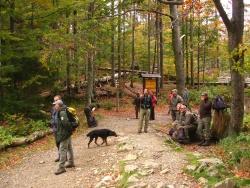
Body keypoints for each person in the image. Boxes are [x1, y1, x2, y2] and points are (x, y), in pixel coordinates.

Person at [53, 100, 75, 175]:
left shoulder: (62, 112)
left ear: (59, 105)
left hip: (64, 134)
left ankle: (61, 168)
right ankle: (71, 162)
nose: (54, 106)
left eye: (55, 105)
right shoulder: (62, 111)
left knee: (62, 149)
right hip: (66, 133)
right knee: (69, 148)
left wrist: (68, 131)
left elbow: (65, 123)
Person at [50, 95, 65, 162]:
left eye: (56, 100)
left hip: (61, 129)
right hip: (55, 128)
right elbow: (53, 117)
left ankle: (64, 157)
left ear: (60, 100)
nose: (55, 102)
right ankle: (60, 156)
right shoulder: (53, 108)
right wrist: (51, 123)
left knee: (63, 143)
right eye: (54, 100)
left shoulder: (63, 107)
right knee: (57, 143)